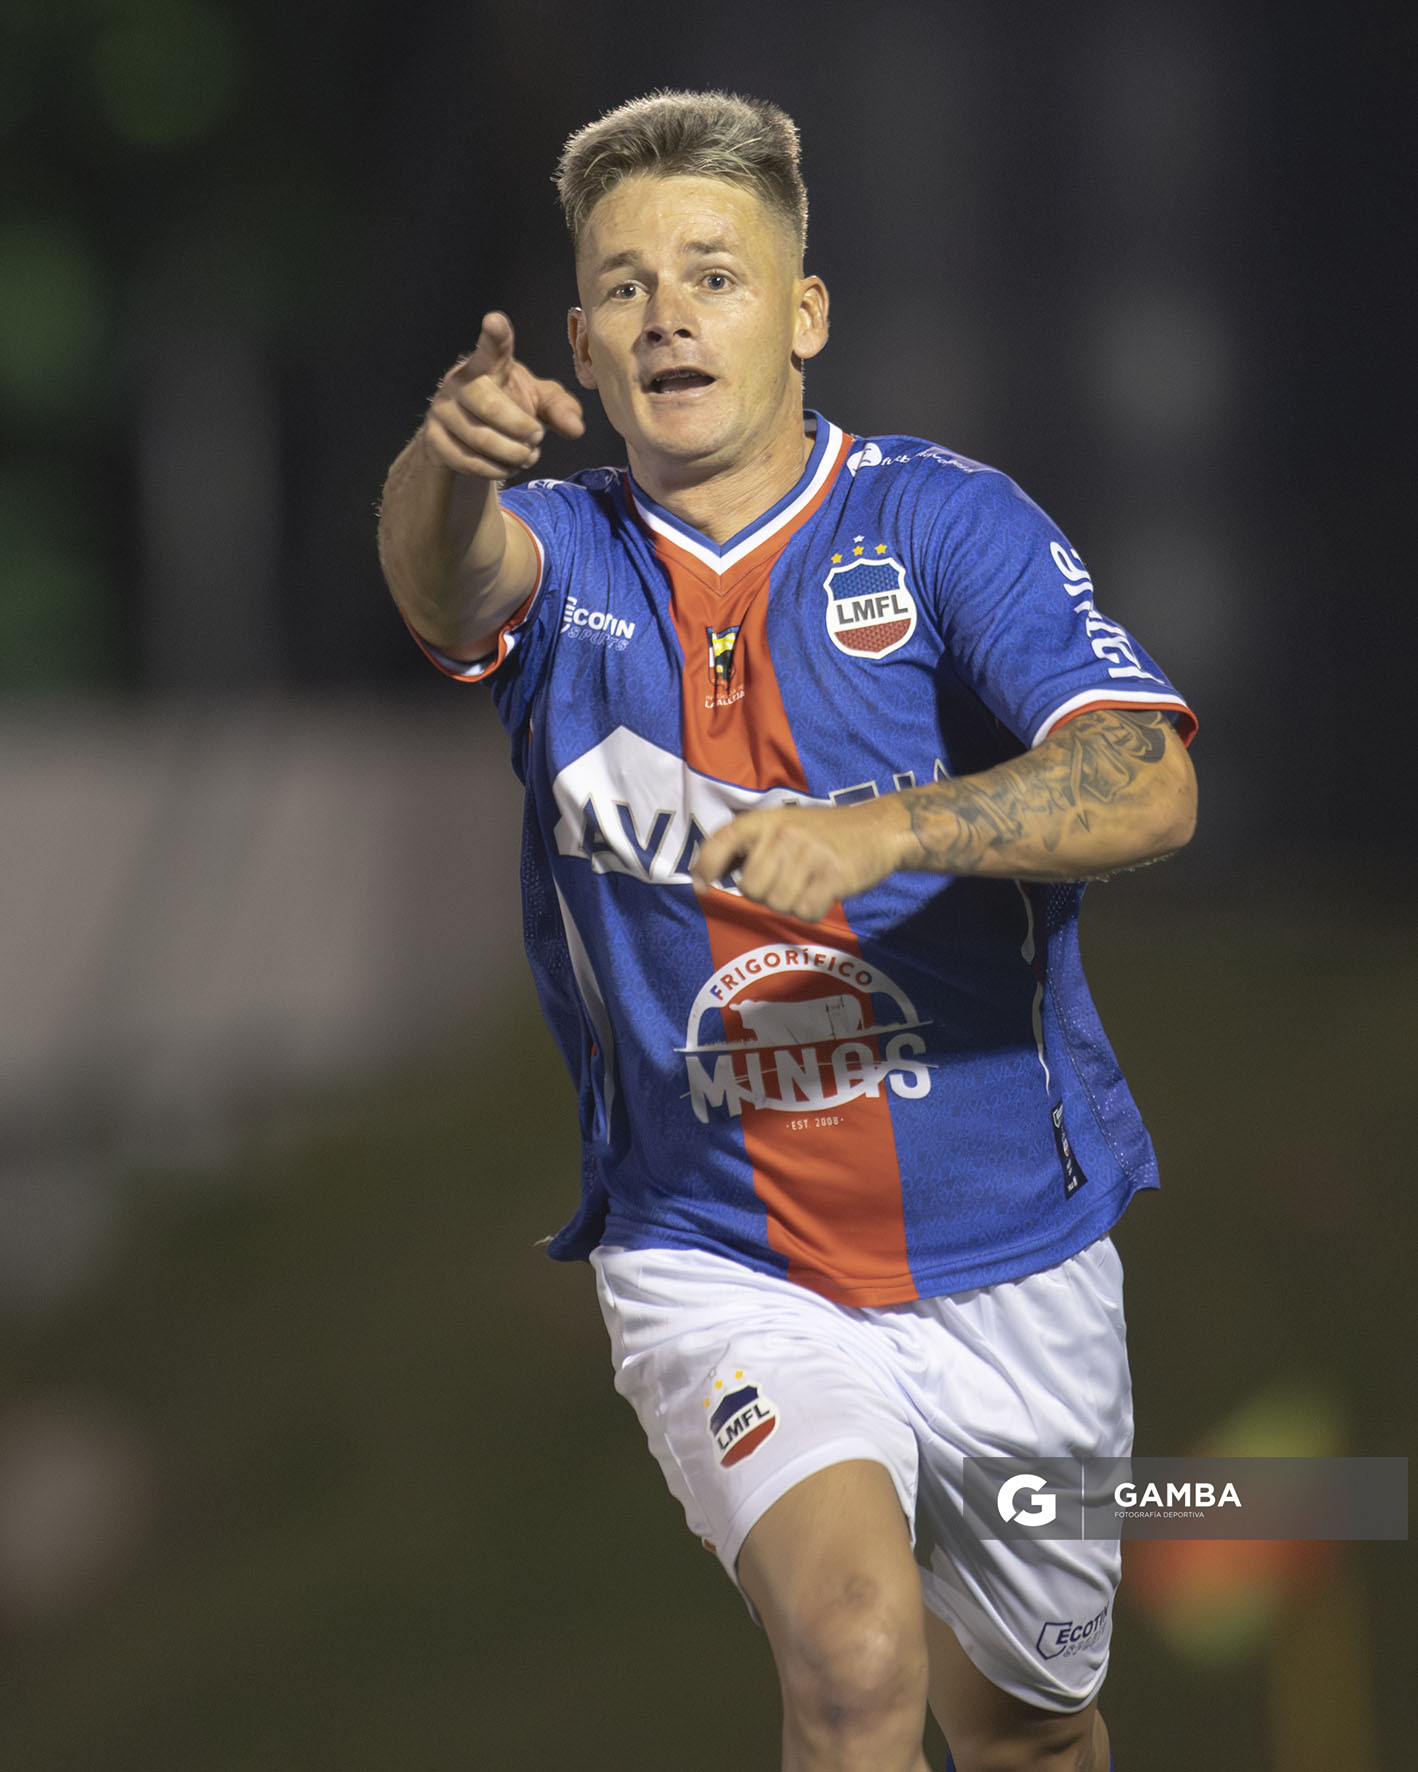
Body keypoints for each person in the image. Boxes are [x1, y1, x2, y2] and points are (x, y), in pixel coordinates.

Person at [377, 89, 1196, 1772]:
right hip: (722, 1259)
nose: (666, 308)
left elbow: (1145, 784)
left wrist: (891, 825)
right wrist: (439, 462)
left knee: (1029, 1726)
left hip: (1014, 1256)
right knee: (850, 1656)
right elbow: (443, 584)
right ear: (587, 355)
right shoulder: (565, 559)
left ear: (803, 312)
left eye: (713, 272)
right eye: (620, 286)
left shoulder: (940, 522)